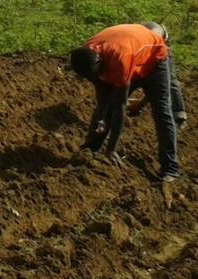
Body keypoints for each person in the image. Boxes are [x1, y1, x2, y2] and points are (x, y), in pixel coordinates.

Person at [69, 23, 182, 182]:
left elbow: (120, 107)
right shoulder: (87, 55)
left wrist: (112, 149)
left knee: (161, 111)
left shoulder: (119, 59)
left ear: (99, 64)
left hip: (155, 59)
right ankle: (91, 147)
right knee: (105, 108)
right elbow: (102, 99)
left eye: (93, 75)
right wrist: (100, 120)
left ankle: (170, 167)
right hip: (132, 52)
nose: (92, 79)